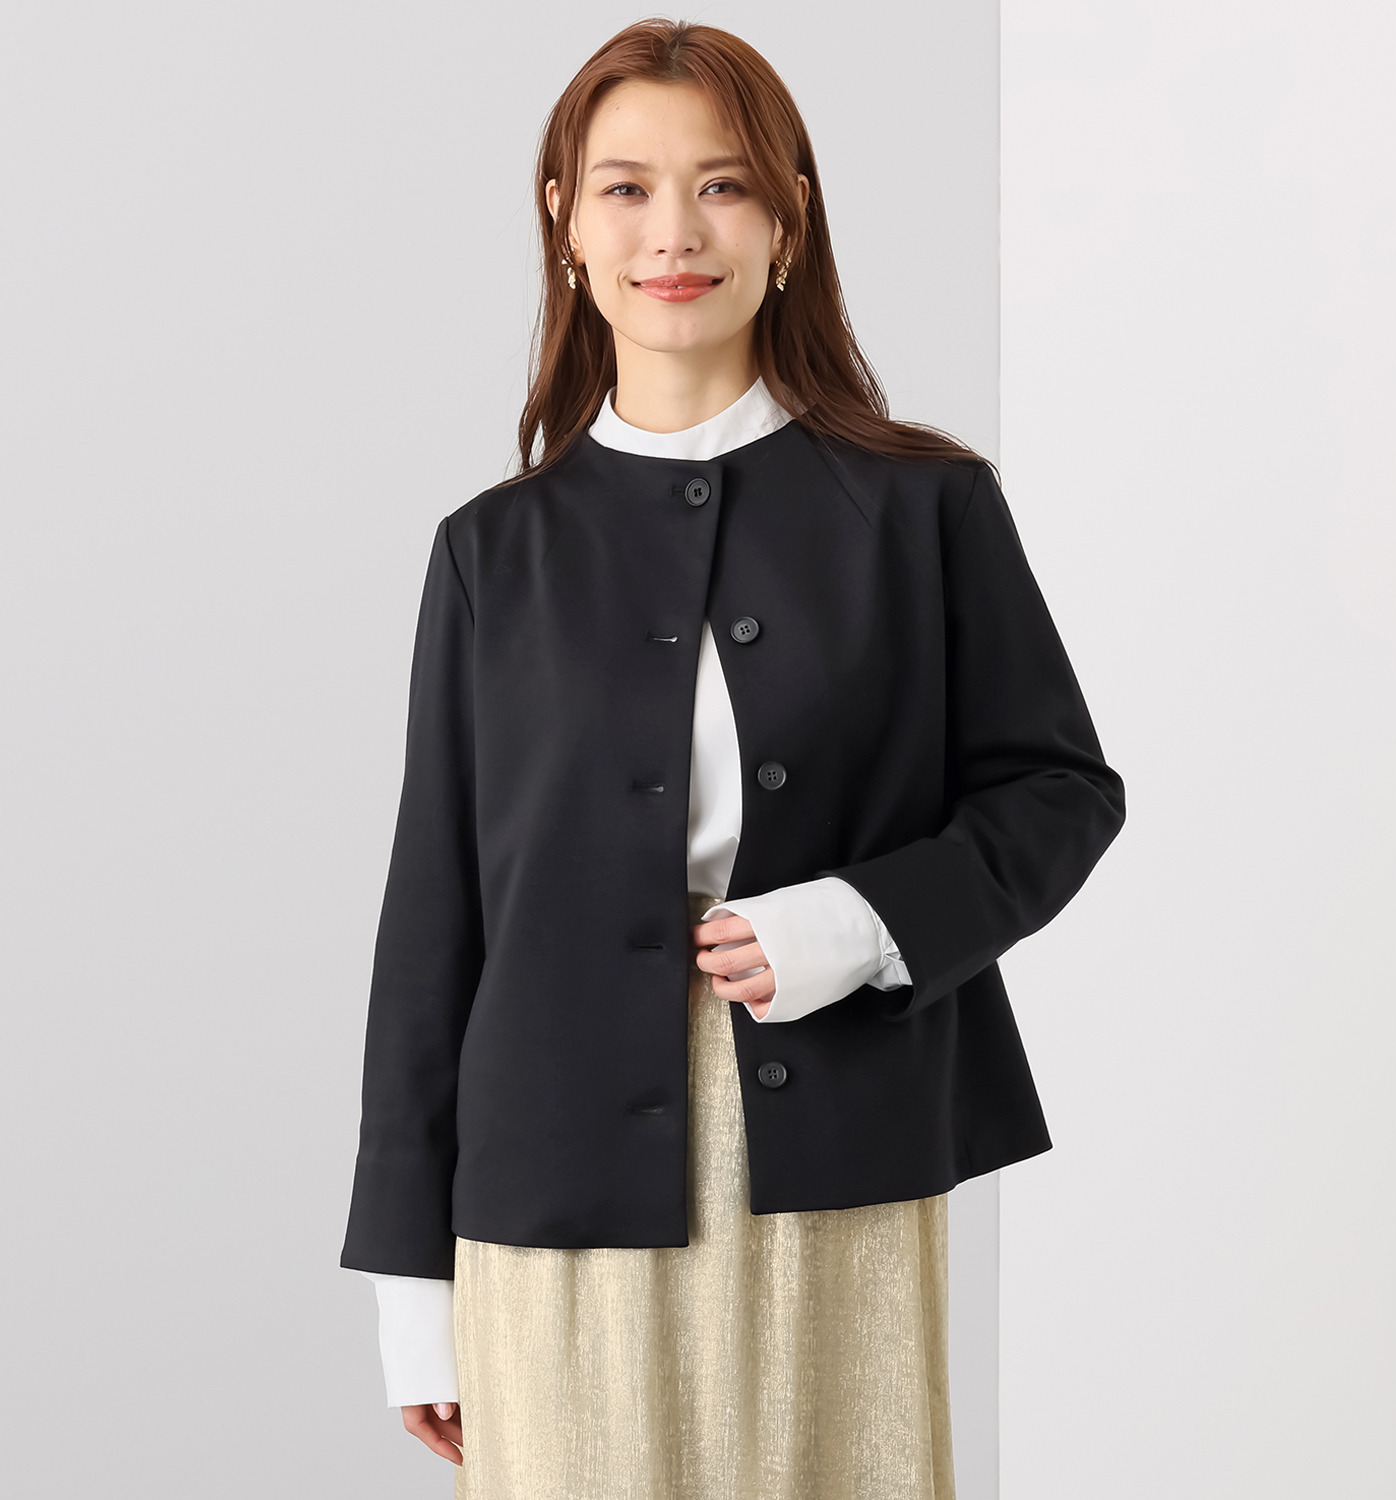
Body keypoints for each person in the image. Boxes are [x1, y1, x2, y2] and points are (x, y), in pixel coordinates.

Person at [338, 17, 1126, 1499]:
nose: (675, 233)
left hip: (833, 1170)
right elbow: (434, 923)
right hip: (547, 1194)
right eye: (626, 188)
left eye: (724, 185)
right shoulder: (492, 554)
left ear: (788, 217)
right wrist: (410, 1287)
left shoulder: (924, 510)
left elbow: (1062, 791)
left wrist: (864, 922)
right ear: (566, 222)